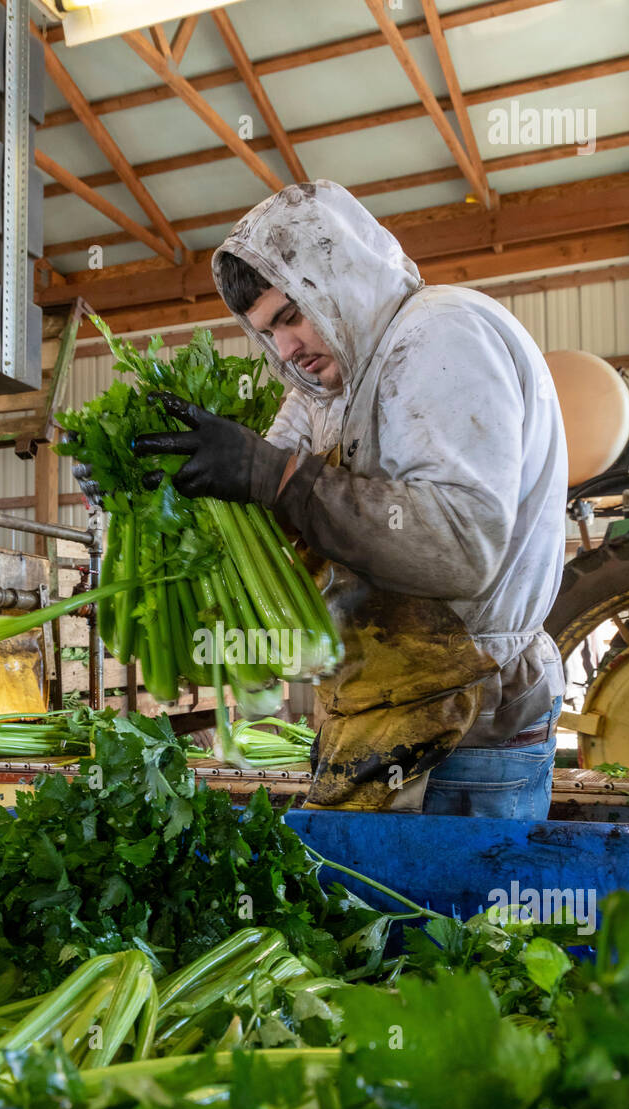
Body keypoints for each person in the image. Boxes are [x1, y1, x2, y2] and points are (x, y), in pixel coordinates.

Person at [126, 180, 568, 817]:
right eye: (267, 334)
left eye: (290, 317)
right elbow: (258, 491)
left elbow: (459, 548)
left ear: (341, 280)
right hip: (380, 703)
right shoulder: (324, 389)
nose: (286, 350)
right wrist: (151, 486)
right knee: (373, 906)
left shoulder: (440, 335)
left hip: (467, 714)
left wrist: (273, 476)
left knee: (452, 912)